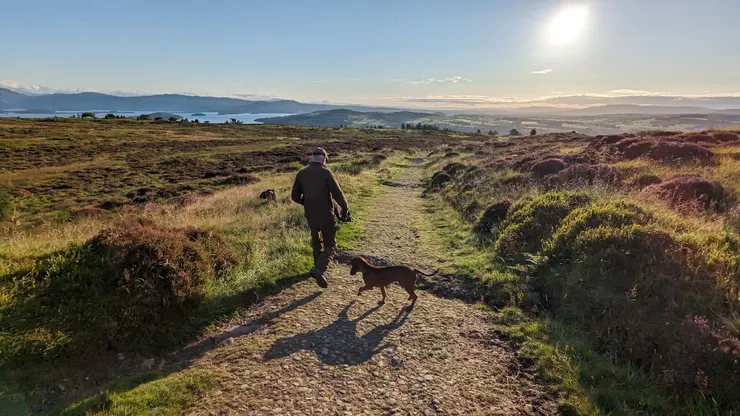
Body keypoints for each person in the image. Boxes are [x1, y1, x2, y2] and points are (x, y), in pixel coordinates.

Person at [291, 148, 351, 288]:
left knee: (316, 241)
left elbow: (294, 197)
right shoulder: (326, 173)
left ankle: (316, 269)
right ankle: (319, 270)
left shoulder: (302, 173)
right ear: (324, 159)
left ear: (312, 158)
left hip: (310, 215)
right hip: (326, 214)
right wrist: (345, 208)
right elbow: (338, 193)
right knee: (330, 245)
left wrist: (305, 202)